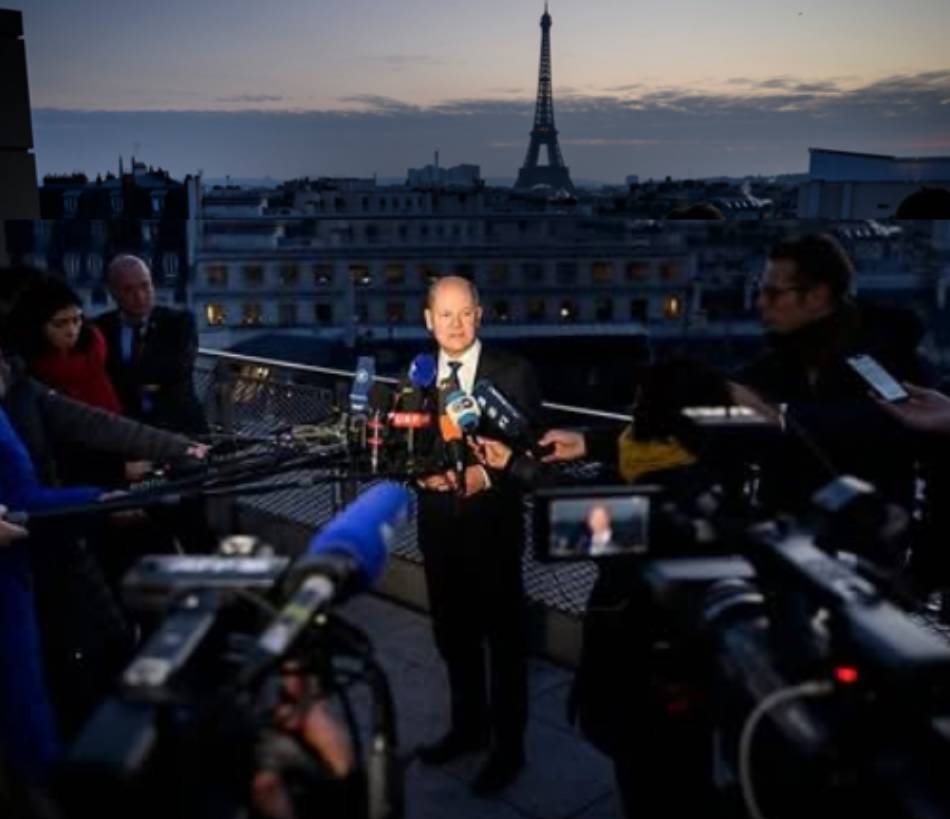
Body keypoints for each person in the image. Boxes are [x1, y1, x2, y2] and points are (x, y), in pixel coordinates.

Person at [413, 275, 542, 795]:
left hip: (495, 533)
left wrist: (486, 474)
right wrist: (419, 473)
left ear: (480, 314)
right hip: (439, 531)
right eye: (446, 315)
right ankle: (467, 731)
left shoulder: (513, 372)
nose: (457, 325)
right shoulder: (419, 375)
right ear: (429, 321)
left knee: (506, 649)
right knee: (454, 639)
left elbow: (536, 447)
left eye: (465, 313)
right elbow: (408, 444)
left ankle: (509, 752)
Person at [731, 233, 929, 519]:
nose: (760, 302)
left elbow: (887, 421)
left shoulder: (874, 358)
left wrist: (777, 415)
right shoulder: (773, 365)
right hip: (791, 534)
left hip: (870, 535)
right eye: (760, 290)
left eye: (773, 293)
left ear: (817, 296)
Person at [96, 254, 207, 435]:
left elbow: (175, 369)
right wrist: (146, 380)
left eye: (145, 286)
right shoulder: (101, 328)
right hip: (127, 430)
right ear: (113, 292)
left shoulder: (179, 322)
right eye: (128, 289)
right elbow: (104, 377)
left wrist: (126, 380)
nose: (140, 296)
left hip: (179, 428)